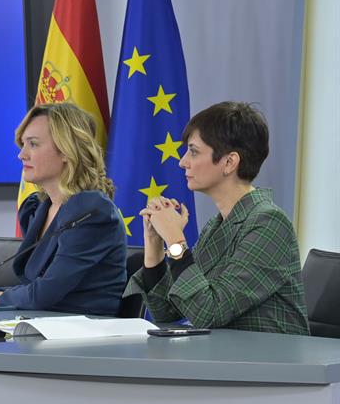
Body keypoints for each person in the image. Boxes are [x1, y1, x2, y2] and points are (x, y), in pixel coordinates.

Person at [125, 101, 309, 334]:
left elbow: (209, 313)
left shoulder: (269, 223)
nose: (183, 162)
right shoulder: (218, 224)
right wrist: (155, 244)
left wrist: (175, 239)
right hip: (226, 361)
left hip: (269, 365)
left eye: (193, 151)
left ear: (229, 162)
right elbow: (167, 313)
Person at [0, 103, 127, 315]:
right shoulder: (39, 207)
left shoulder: (92, 210)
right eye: (22, 145)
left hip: (87, 336)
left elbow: (46, 292)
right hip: (45, 326)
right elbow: (34, 289)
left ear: (67, 150)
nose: (22, 155)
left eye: (33, 144)